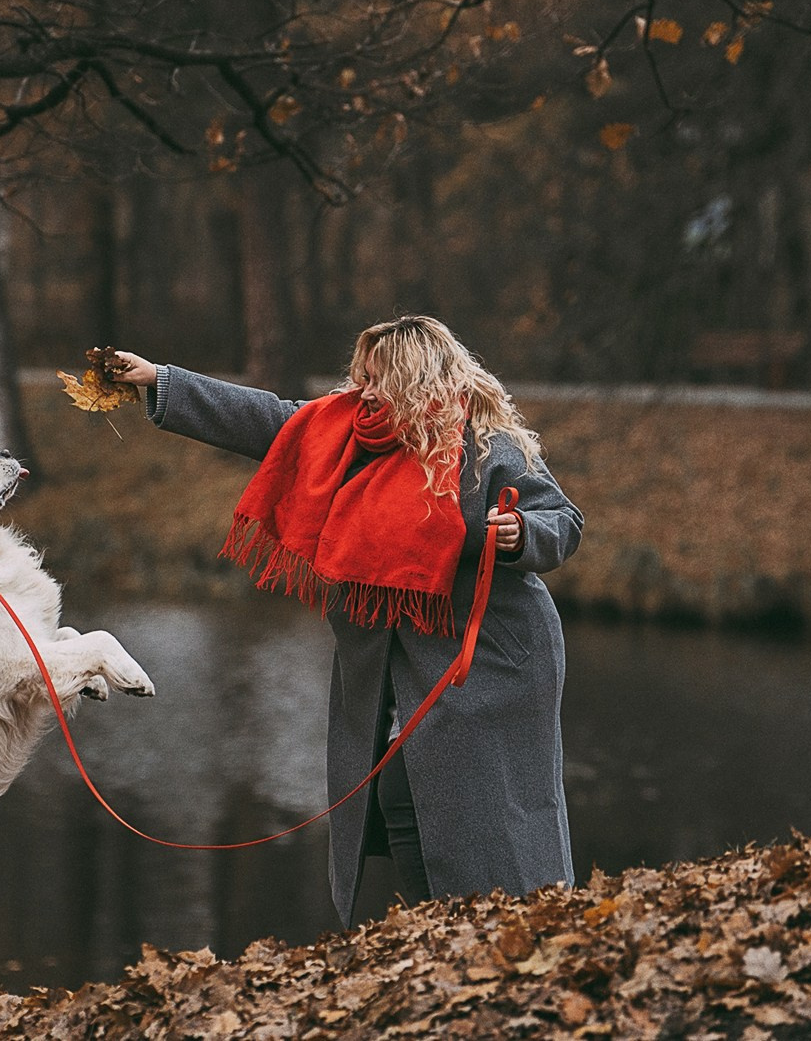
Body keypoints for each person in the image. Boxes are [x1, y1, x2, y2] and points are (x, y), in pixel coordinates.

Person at [111, 316, 583, 924]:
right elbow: (269, 418)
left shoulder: (481, 446)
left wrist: (522, 535)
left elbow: (562, 521)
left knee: (481, 809)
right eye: (362, 374)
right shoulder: (343, 432)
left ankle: (482, 932)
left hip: (490, 657)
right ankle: (456, 932)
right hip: (408, 655)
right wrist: (161, 382)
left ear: (418, 377)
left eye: (379, 376)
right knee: (414, 801)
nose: (364, 387)